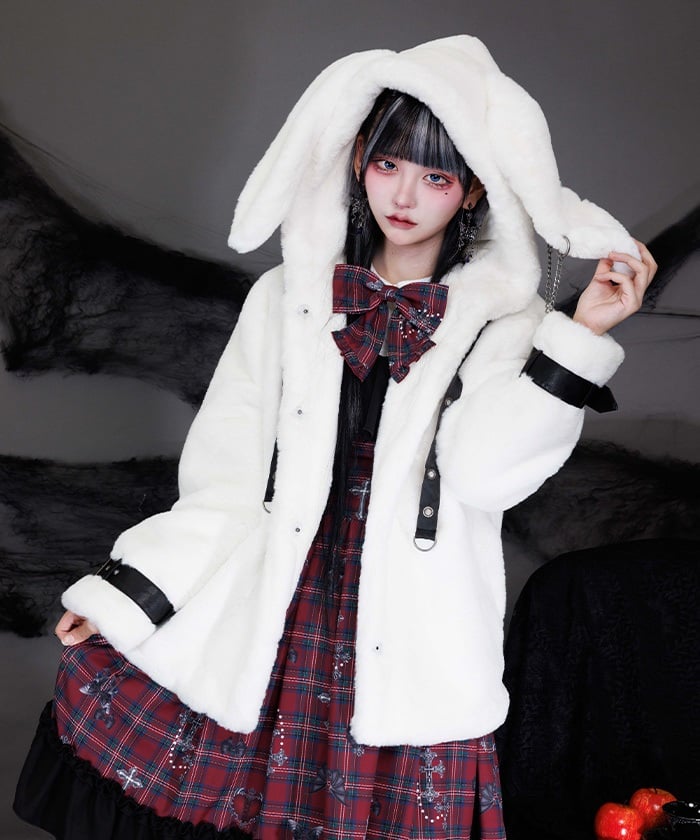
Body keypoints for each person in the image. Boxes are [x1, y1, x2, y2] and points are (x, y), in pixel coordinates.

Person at [15, 35, 656, 840]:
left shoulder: (507, 324)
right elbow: (224, 481)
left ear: (472, 192)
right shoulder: (287, 298)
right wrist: (129, 600)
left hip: (409, 634)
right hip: (273, 604)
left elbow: (486, 476)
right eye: (389, 164)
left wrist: (578, 339)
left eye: (436, 177)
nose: (405, 195)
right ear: (357, 160)